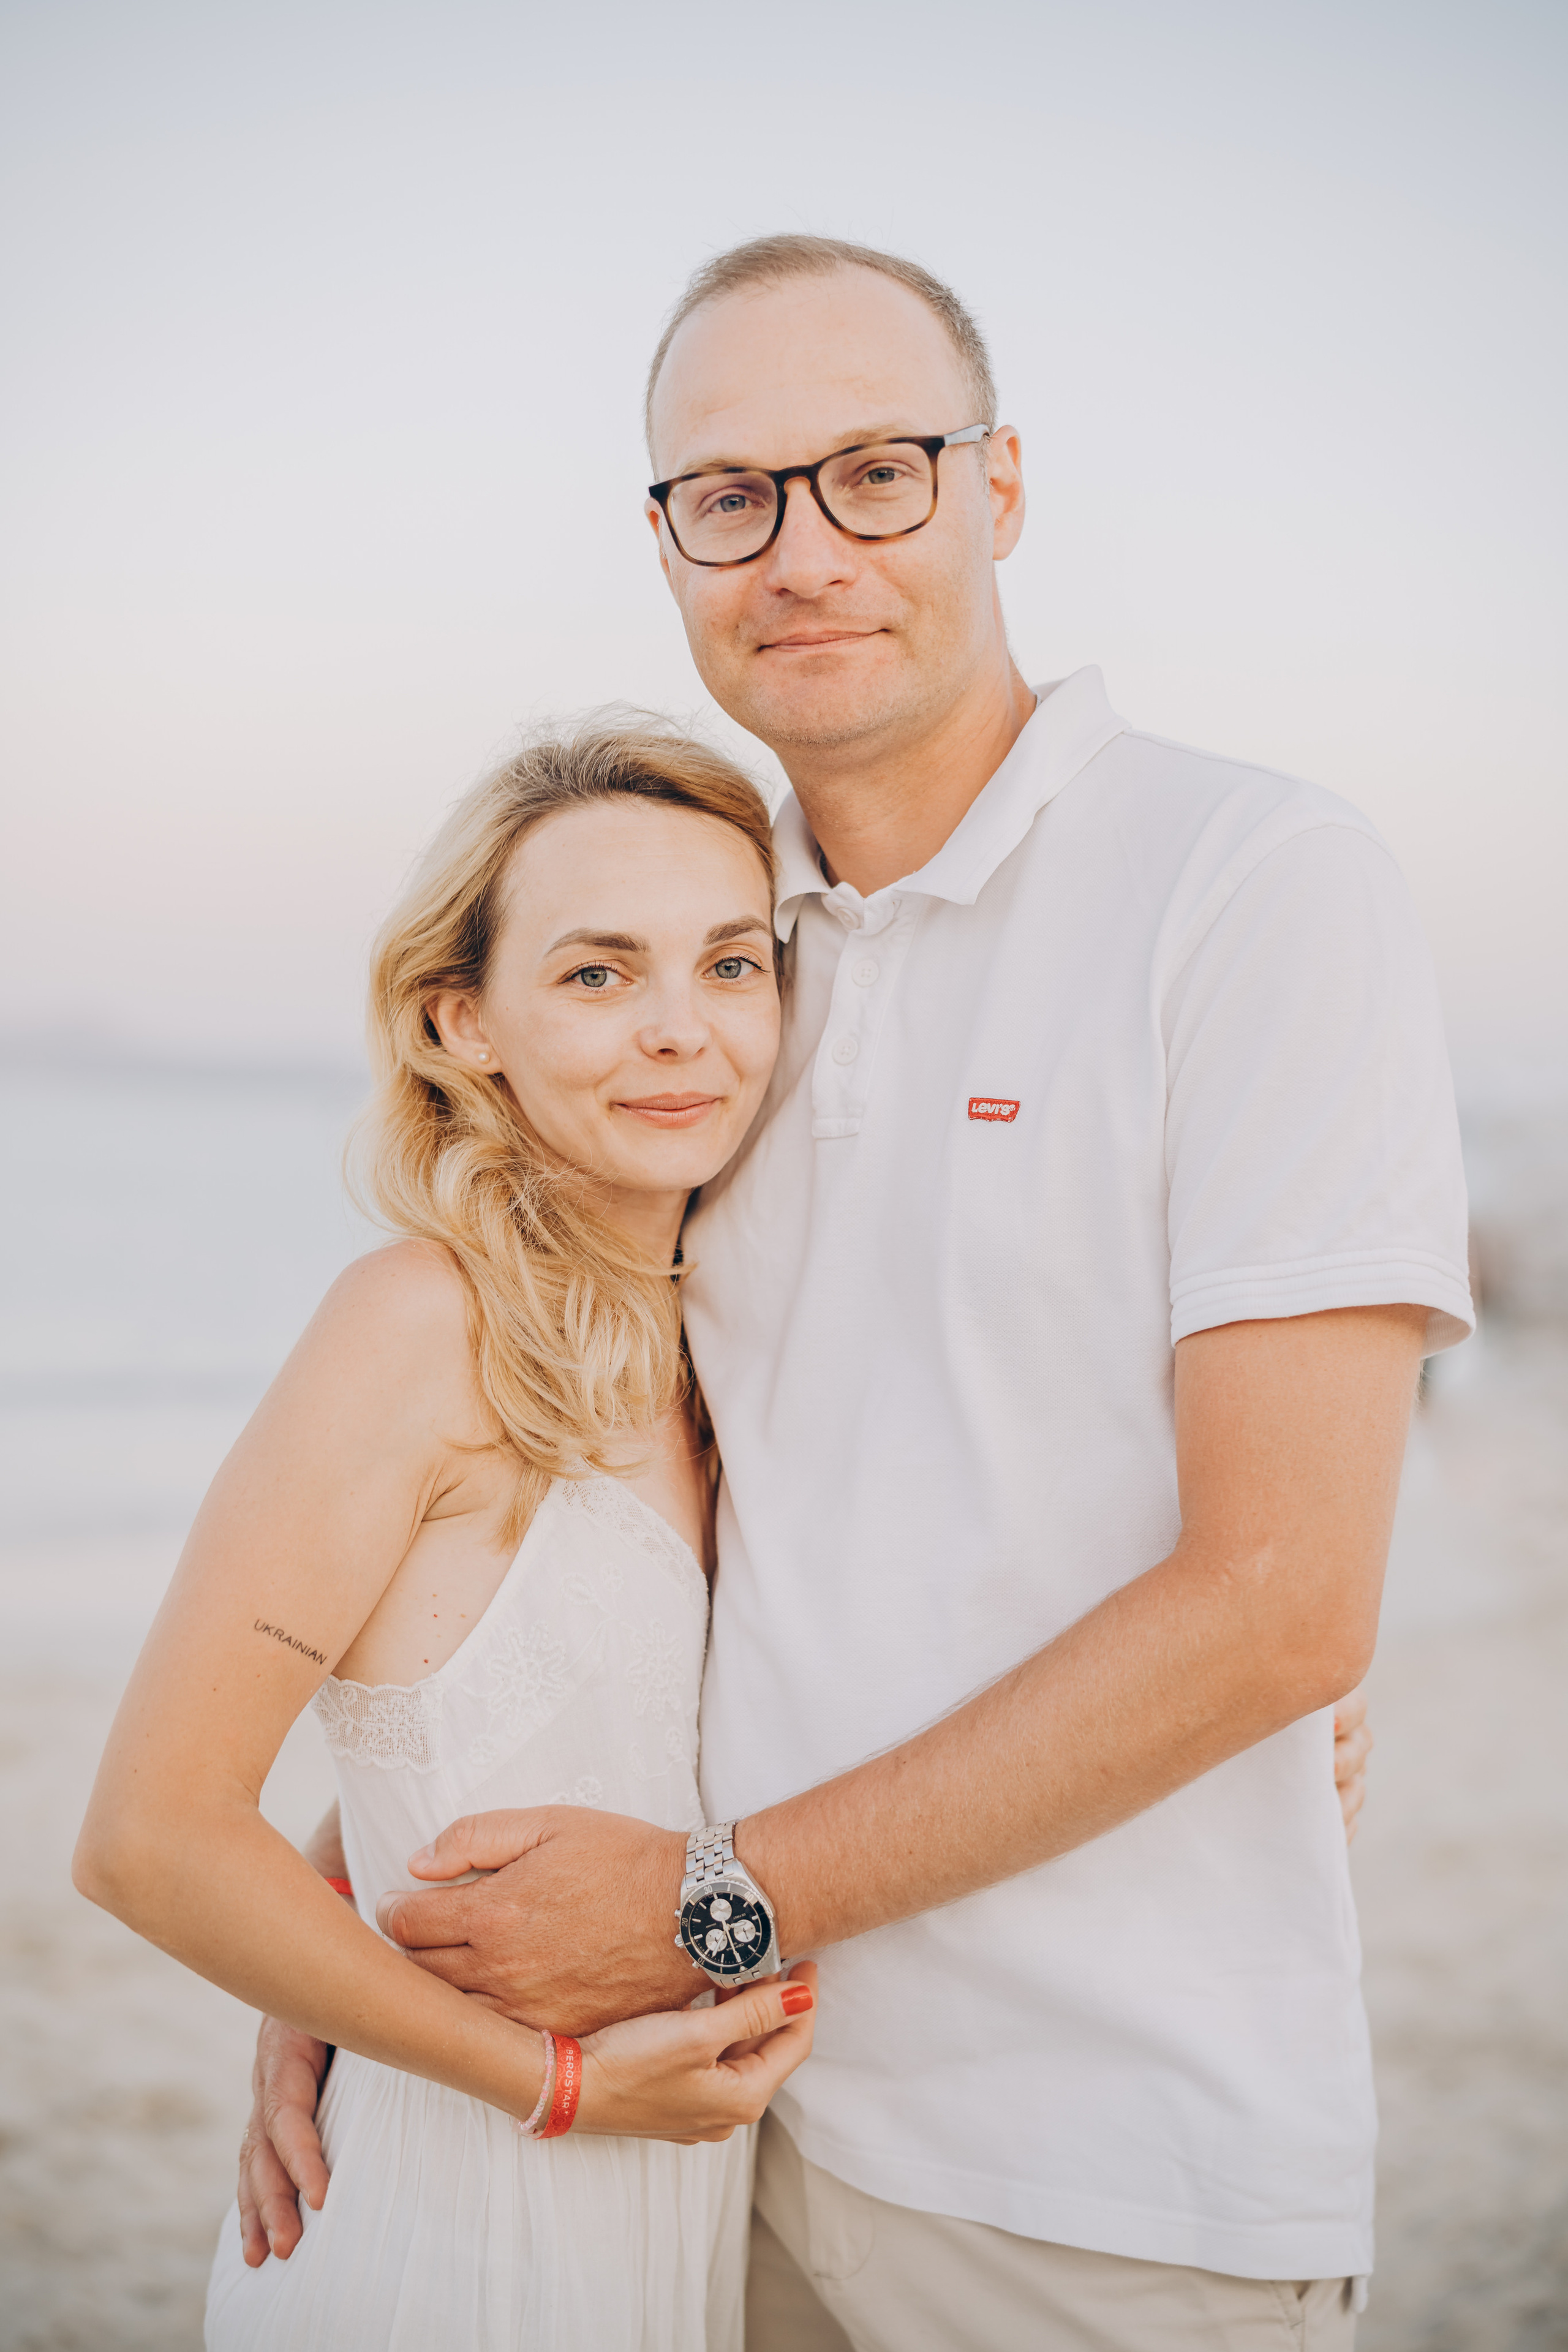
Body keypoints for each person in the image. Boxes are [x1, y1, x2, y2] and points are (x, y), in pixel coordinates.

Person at [244, 234, 1470, 2348]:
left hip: (1099, 2173)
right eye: (730, 495)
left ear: (998, 491)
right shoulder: (726, 979)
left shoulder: (1253, 885)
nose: (802, 547)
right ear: (669, 545)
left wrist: (712, 1904)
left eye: (875, 471)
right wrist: (363, 1925)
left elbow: (1284, 1601)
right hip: (720, 2141)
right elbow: (603, 1499)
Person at [72, 720, 821, 2352]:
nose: (684, 1033)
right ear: (460, 1019)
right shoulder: (418, 1327)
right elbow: (149, 1836)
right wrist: (553, 2085)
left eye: (733, 964)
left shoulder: (724, 1343)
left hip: (671, 2223)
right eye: (600, 977)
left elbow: (507, 1716)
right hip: (456, 2231)